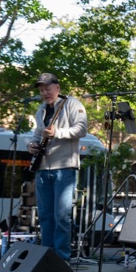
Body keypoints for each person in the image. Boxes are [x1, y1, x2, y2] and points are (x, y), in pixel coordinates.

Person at [27, 73, 88, 261]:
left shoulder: (72, 104)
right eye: (42, 89)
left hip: (64, 168)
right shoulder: (41, 110)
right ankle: (46, 258)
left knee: (62, 216)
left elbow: (82, 129)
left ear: (57, 88)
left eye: (48, 88)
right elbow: (37, 135)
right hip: (43, 168)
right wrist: (31, 145)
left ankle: (62, 259)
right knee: (45, 216)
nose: (45, 92)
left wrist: (57, 132)